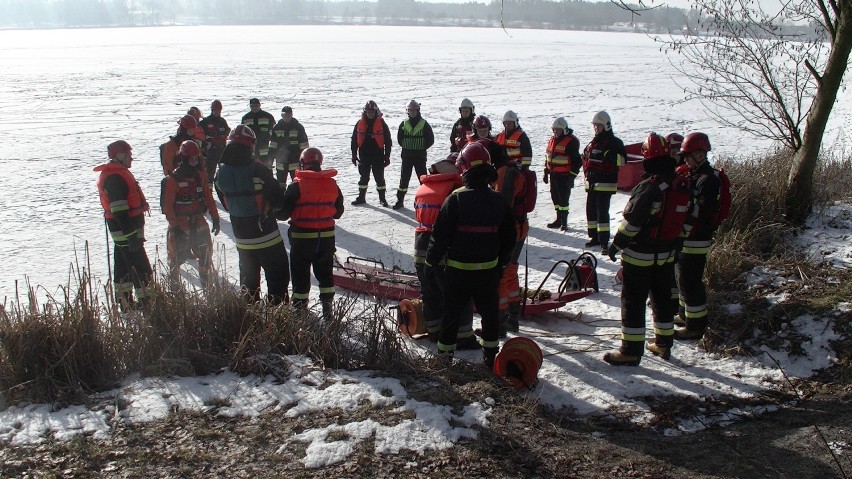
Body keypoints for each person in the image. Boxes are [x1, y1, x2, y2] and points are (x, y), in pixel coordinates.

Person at [603, 134, 693, 366]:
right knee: (662, 300)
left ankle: (630, 351)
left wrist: (616, 245)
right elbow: (688, 221)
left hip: (639, 258)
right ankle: (663, 344)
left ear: (647, 158)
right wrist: (674, 244)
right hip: (666, 256)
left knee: (633, 302)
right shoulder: (680, 183)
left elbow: (632, 223)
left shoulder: (649, 187)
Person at [425, 142, 516, 368]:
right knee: (490, 317)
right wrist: (501, 264)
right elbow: (509, 238)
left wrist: (430, 262)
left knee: (451, 317)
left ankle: (444, 360)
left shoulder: (456, 198)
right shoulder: (499, 200)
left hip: (458, 273)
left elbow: (440, 235)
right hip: (488, 273)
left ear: (464, 168)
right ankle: (490, 359)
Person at [214, 124, 290, 304]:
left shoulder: (220, 173)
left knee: (248, 285)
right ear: (250, 145)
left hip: (242, 239)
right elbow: (279, 202)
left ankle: (251, 319)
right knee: (278, 279)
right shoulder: (259, 169)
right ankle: (278, 320)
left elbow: (225, 204)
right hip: (267, 236)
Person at [413, 155, 479, 349]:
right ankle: (463, 336)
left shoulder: (423, 188)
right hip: (443, 246)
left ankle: (434, 332)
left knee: (430, 292)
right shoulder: (453, 190)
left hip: (420, 244)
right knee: (458, 293)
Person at [277, 147, 344, 320]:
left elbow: (283, 214)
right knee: (325, 276)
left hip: (302, 241)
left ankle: (300, 313)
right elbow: (338, 212)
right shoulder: (332, 184)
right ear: (319, 163)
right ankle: (328, 312)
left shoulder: (296, 185)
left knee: (300, 277)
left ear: (302, 162)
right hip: (326, 240)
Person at [94, 140, 153, 310]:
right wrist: (131, 236)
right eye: (129, 155)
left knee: (122, 269)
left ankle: (125, 304)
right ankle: (148, 304)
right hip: (127, 234)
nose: (132, 158)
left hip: (122, 234)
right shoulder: (115, 178)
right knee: (142, 270)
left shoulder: (116, 174)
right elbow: (119, 211)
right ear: (120, 156)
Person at [674, 132, 721, 341]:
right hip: (688, 237)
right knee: (682, 277)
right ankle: (685, 315)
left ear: (700, 155)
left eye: (688, 156)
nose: (685, 160)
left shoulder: (708, 180)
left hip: (697, 238)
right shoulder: (695, 176)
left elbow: (701, 210)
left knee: (691, 281)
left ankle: (695, 325)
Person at [161, 140, 221, 289]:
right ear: (184, 159)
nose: (195, 162)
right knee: (175, 260)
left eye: (197, 159)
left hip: (199, 221)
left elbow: (208, 197)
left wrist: (215, 217)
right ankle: (176, 294)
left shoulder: (198, 176)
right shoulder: (172, 181)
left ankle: (208, 290)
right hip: (180, 225)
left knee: (205, 257)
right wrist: (174, 227)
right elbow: (167, 206)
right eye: (192, 159)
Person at [492, 129, 530, 335]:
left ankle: (499, 324)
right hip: (519, 226)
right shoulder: (512, 170)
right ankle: (513, 318)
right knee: (511, 271)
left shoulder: (505, 174)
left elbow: (503, 206)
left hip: (511, 229)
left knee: (502, 274)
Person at [582, 111, 626, 253]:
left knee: (602, 213)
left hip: (605, 184)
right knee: (591, 211)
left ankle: (604, 241)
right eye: (595, 126)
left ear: (606, 126)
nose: (596, 129)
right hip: (592, 184)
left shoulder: (615, 143)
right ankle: (594, 237)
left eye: (598, 126)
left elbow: (623, 161)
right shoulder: (594, 142)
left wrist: (610, 155)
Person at [393, 100, 435, 210]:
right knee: (404, 178)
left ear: (418, 110)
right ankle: (400, 200)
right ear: (407, 111)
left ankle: (427, 199)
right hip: (407, 156)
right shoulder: (403, 124)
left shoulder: (424, 124)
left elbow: (430, 140)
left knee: (422, 178)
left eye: (414, 110)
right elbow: (399, 139)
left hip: (419, 157)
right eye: (410, 110)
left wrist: (420, 147)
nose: (412, 112)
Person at [350, 100, 393, 206]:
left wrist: (387, 156)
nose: (370, 114)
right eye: (368, 112)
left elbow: (388, 141)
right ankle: (361, 197)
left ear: (376, 112)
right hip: (364, 155)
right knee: (364, 177)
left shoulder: (382, 124)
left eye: (372, 112)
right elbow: (354, 140)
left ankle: (382, 199)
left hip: (378, 155)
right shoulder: (359, 123)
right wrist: (354, 155)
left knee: (379, 178)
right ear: (365, 112)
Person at [543, 117, 582, 231]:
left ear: (564, 130)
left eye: (558, 130)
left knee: (563, 199)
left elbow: (577, 161)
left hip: (564, 176)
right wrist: (546, 171)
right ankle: (558, 218)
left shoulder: (571, 141)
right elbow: (548, 157)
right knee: (555, 196)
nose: (555, 132)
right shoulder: (552, 140)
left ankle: (564, 221)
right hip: (553, 174)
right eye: (554, 130)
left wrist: (572, 177)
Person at [270, 105, 310, 186]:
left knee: (297, 184)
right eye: (285, 115)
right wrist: (270, 160)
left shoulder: (298, 127)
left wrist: (305, 161)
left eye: (288, 114)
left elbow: (304, 146)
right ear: (281, 115)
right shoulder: (277, 128)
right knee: (280, 185)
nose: (287, 116)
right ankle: (281, 198)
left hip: (295, 161)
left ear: (292, 114)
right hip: (281, 162)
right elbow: (273, 146)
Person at [200, 99, 231, 184]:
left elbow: (228, 131)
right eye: (216, 110)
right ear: (212, 110)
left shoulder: (222, 121)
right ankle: (209, 193)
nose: (217, 112)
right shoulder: (205, 122)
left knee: (225, 175)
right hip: (210, 154)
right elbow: (199, 135)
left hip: (222, 152)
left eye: (219, 110)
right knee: (209, 176)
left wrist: (224, 136)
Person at [241, 98, 276, 168]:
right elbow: (242, 133)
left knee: (266, 168)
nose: (254, 108)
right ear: (250, 106)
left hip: (265, 148)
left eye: (256, 105)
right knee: (252, 168)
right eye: (252, 106)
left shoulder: (268, 116)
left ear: (260, 105)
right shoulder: (245, 118)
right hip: (251, 149)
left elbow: (274, 132)